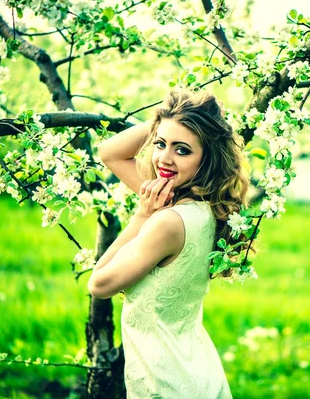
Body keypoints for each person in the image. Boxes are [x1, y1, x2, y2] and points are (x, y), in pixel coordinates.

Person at [87, 89, 249, 398]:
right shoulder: (207, 208)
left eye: (182, 150)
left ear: (207, 158)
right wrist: (167, 119)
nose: (164, 158)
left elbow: (99, 284)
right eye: (160, 144)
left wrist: (140, 216)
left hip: (166, 383)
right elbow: (110, 153)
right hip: (197, 369)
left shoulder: (166, 220)